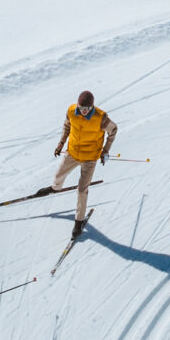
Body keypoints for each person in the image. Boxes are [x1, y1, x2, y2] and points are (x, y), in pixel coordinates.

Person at [52, 90, 116, 233]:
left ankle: (78, 221)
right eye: (81, 109)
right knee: (57, 176)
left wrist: (105, 150)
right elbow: (67, 126)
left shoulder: (101, 118)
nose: (84, 111)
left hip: (90, 158)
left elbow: (113, 130)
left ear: (92, 107)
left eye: (87, 109)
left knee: (82, 190)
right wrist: (61, 144)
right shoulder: (71, 111)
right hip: (72, 153)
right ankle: (55, 188)